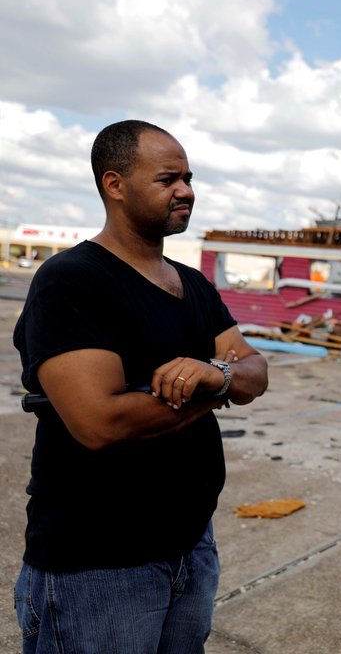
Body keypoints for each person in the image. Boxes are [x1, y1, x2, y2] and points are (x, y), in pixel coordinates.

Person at [13, 119, 269, 653]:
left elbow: (255, 370)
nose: (187, 191)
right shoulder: (73, 280)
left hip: (191, 546)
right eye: (168, 179)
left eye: (189, 178)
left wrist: (215, 372)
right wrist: (219, 385)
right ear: (115, 185)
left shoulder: (192, 283)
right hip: (98, 565)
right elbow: (99, 423)